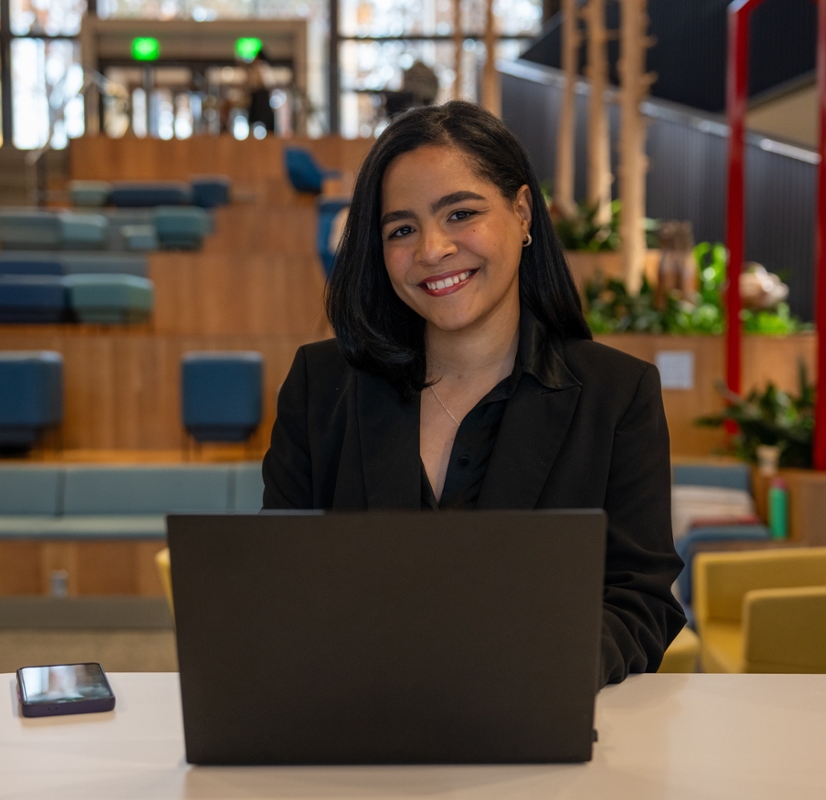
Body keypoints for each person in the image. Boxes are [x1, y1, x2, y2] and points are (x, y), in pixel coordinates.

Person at [263, 101, 685, 686]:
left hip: (534, 736)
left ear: (522, 212)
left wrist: (542, 671)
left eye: (460, 214)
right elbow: (280, 582)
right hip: (357, 731)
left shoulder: (617, 395)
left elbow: (640, 603)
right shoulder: (320, 385)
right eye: (402, 229)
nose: (431, 250)